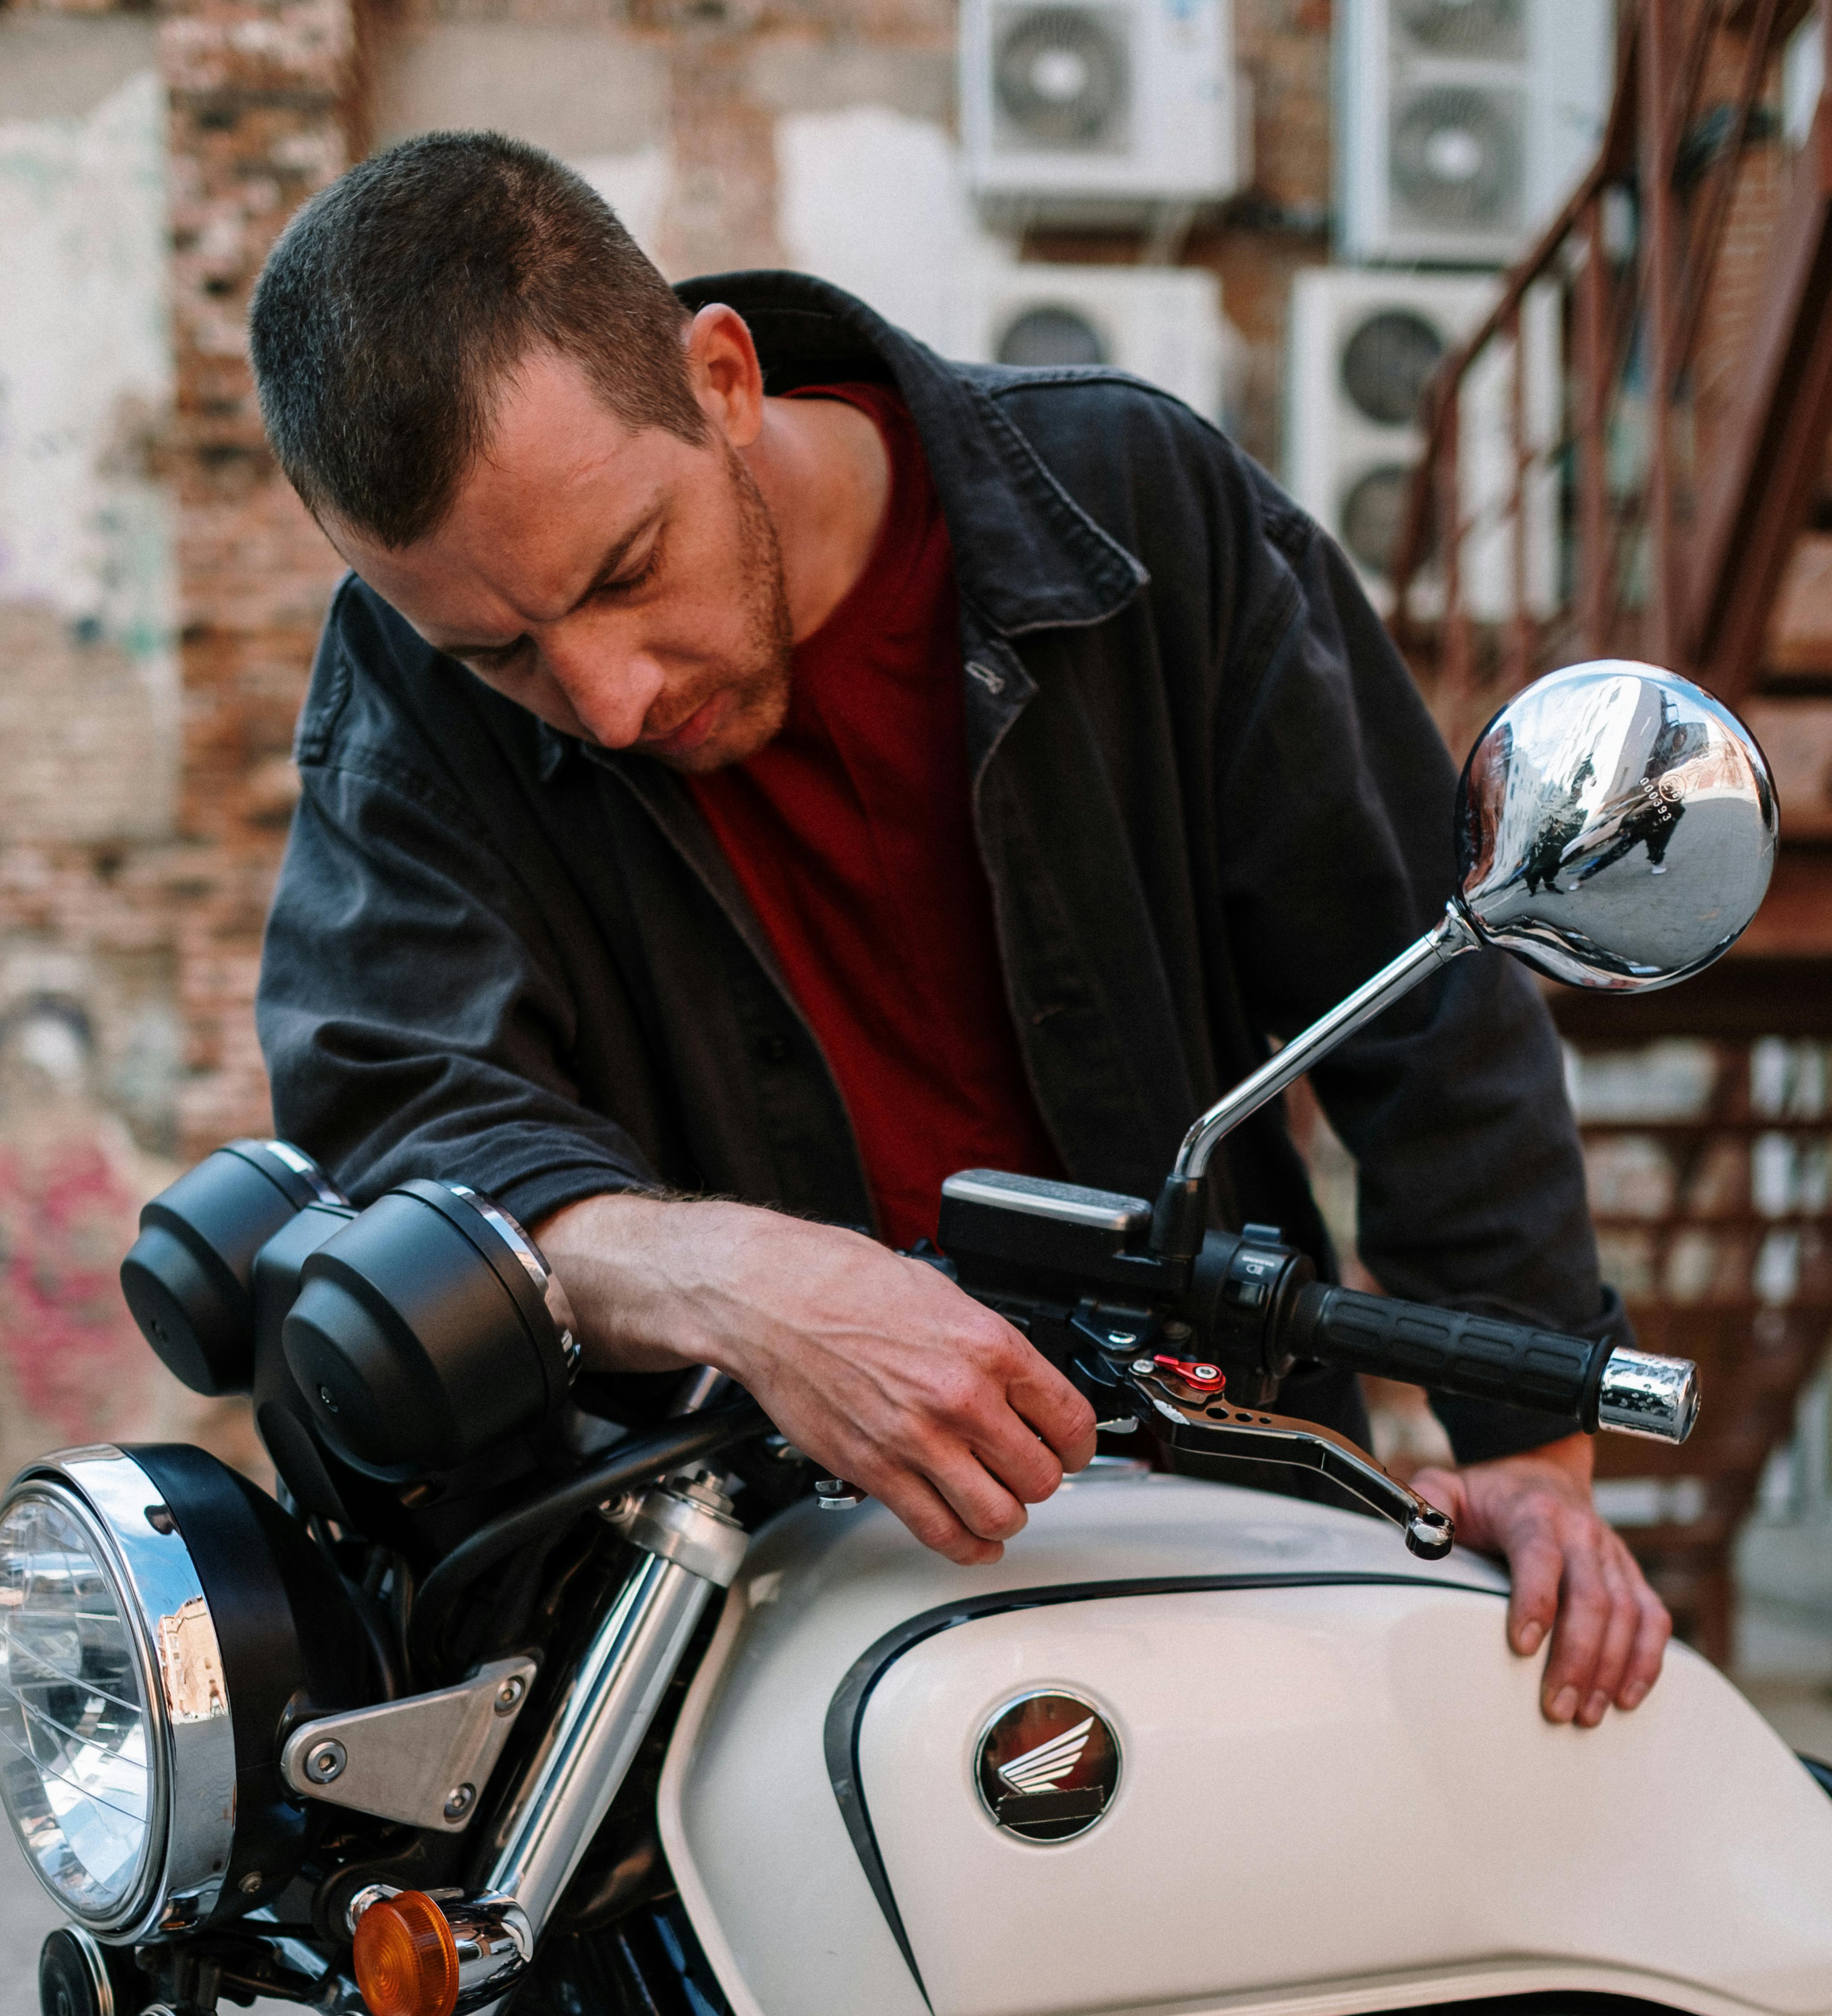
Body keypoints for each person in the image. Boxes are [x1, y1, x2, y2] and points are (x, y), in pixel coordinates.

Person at [249, 129, 1670, 1729]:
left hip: (1226, 1533)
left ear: (723, 380)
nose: (608, 699)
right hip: (738, 1626)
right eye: (501, 655)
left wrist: (1532, 1457)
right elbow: (404, 1125)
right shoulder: (406, 693)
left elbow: (1427, 993)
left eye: (628, 571)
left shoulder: (1133, 504)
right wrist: (748, 1285)